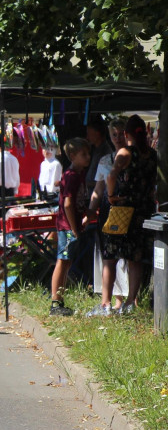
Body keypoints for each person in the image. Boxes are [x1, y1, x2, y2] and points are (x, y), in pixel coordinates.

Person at [100, 114, 158, 315]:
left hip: (123, 209)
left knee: (110, 256)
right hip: (144, 211)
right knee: (136, 257)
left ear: (126, 134)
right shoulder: (152, 154)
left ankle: (106, 304)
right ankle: (131, 302)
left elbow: (111, 175)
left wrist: (110, 196)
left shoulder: (125, 152)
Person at [87, 119, 129, 316]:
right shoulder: (105, 160)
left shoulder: (136, 158)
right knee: (108, 256)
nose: (118, 138)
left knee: (126, 256)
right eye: (114, 134)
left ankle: (125, 300)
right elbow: (98, 189)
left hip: (129, 210)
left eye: (121, 133)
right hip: (108, 211)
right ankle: (107, 301)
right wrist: (89, 212)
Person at [49, 138, 91, 316]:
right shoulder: (71, 176)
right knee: (63, 261)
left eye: (88, 153)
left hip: (71, 226)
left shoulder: (79, 174)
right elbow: (67, 204)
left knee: (67, 262)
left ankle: (60, 300)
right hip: (67, 226)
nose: (88, 157)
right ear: (73, 156)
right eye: (84, 154)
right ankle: (55, 302)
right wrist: (74, 228)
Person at [0, 131, 20, 197]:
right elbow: (17, 176)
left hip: (0, 192)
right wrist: (15, 190)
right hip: (11, 192)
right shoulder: (14, 159)